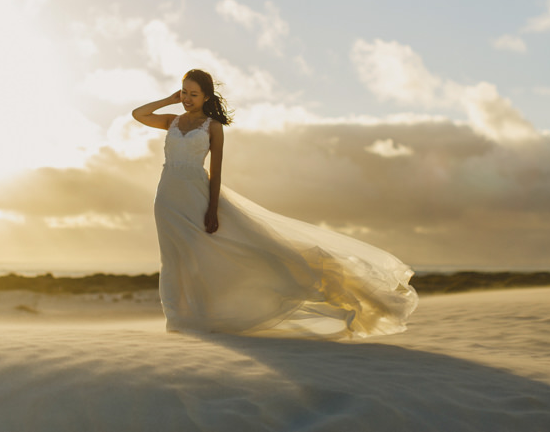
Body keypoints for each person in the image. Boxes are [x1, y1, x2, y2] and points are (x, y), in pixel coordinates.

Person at [132, 69, 417, 339]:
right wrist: (169, 100)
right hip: (167, 197)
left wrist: (213, 208)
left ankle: (205, 316)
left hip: (196, 195)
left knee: (207, 256)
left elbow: (216, 172)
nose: (186, 99)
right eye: (183, 92)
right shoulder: (171, 121)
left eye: (193, 94)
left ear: (207, 96)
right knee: (171, 260)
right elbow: (138, 113)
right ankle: (177, 322)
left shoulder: (213, 127)